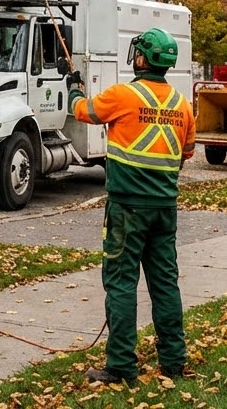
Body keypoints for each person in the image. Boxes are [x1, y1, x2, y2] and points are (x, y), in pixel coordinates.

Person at [68, 27, 196, 385]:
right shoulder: (182, 106)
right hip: (164, 209)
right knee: (165, 284)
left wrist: (74, 87)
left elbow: (83, 111)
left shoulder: (124, 95)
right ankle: (173, 361)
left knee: (122, 284)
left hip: (127, 209)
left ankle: (121, 365)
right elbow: (186, 153)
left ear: (142, 58)